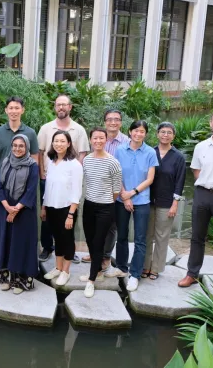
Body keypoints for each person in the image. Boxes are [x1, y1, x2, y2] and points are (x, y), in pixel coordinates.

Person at [179, 109, 213, 287]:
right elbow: (196, 170)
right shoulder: (200, 146)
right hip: (202, 195)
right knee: (197, 237)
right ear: (211, 123)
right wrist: (207, 184)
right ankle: (192, 273)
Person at [106, 120, 158, 292]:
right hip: (122, 199)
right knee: (122, 235)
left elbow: (150, 179)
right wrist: (124, 195)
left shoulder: (150, 152)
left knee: (140, 239)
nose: (138, 134)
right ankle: (121, 267)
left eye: (142, 131)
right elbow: (116, 174)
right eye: (135, 131)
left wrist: (132, 193)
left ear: (145, 134)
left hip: (142, 200)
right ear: (129, 132)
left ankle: (135, 274)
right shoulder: (120, 150)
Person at [37, 95, 89, 263]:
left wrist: (73, 173)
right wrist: (42, 173)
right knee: (47, 215)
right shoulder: (46, 128)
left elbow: (82, 154)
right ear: (55, 107)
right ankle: (47, 247)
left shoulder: (78, 129)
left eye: (64, 105)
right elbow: (40, 152)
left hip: (69, 180)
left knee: (69, 216)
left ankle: (69, 250)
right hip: (49, 177)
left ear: (70, 107)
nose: (61, 107)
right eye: (58, 104)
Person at [0, 97, 39, 256]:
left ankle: (21, 261)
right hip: (3, 183)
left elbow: (35, 160)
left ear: (22, 110)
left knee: (21, 227)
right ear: (6, 110)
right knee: (1, 224)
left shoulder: (30, 132)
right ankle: (1, 257)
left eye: (17, 108)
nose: (14, 111)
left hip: (24, 186)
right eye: (11, 108)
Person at [82, 109, 131, 266]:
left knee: (112, 227)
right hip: (99, 192)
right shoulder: (98, 139)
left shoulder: (126, 142)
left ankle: (106, 256)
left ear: (121, 122)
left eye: (116, 119)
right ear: (105, 122)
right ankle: (95, 252)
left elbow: (125, 169)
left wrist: (119, 194)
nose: (113, 122)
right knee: (96, 225)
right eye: (109, 119)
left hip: (119, 191)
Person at [0, 134, 39, 295]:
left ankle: (21, 280)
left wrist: (16, 209)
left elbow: (31, 190)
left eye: (21, 146)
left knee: (21, 244)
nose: (17, 149)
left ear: (26, 147)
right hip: (4, 209)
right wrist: (7, 206)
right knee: (5, 242)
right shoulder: (5, 162)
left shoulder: (33, 165)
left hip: (24, 212)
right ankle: (7, 277)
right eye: (15, 145)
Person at [80, 127, 122, 298]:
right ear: (90, 140)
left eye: (101, 138)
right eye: (95, 138)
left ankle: (91, 280)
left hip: (106, 207)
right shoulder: (87, 160)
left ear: (106, 140)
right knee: (90, 241)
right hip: (89, 205)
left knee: (98, 243)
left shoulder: (113, 162)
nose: (98, 141)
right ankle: (97, 270)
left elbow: (117, 189)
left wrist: (107, 202)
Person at [142, 122, 186, 280]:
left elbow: (180, 182)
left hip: (167, 202)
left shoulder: (178, 157)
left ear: (173, 135)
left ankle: (156, 268)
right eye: (162, 132)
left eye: (169, 132)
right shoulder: (149, 152)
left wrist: (175, 204)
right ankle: (145, 265)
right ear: (157, 134)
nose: (165, 135)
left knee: (162, 236)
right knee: (146, 235)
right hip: (147, 201)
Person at [42, 131, 83, 286]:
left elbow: (76, 191)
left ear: (69, 144)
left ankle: (66, 271)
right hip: (52, 206)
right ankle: (58, 268)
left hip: (67, 209)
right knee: (57, 238)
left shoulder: (74, 164)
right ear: (52, 144)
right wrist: (44, 207)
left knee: (67, 239)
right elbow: (47, 187)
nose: (58, 144)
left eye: (62, 141)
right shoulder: (51, 161)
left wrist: (71, 214)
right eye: (56, 141)